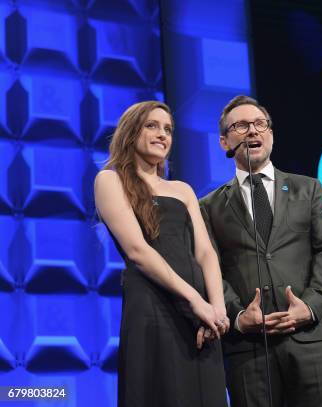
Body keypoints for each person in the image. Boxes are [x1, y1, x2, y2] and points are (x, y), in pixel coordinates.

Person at [199, 95, 322, 407]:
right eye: (241, 126)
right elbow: (210, 270)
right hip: (248, 349)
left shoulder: (309, 189)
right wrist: (237, 316)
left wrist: (311, 306)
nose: (253, 131)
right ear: (225, 142)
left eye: (260, 124)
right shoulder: (208, 207)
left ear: (271, 134)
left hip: (311, 339)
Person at [94, 101, 229, 407]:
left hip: (201, 317)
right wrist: (195, 301)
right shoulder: (110, 180)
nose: (162, 134)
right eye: (152, 126)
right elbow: (137, 250)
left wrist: (216, 309)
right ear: (131, 133)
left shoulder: (182, 189)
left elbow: (206, 252)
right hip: (153, 308)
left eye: (168, 129)